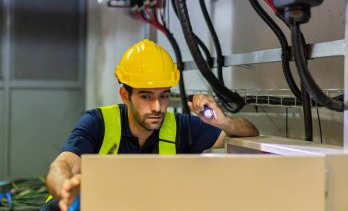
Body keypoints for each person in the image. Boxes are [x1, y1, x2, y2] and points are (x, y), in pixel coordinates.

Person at [40, 39, 259, 211]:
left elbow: (250, 133)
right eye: (146, 97)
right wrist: (66, 187)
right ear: (125, 94)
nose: (157, 107)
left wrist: (224, 121)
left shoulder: (181, 127)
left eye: (163, 96)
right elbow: (60, 167)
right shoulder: (98, 123)